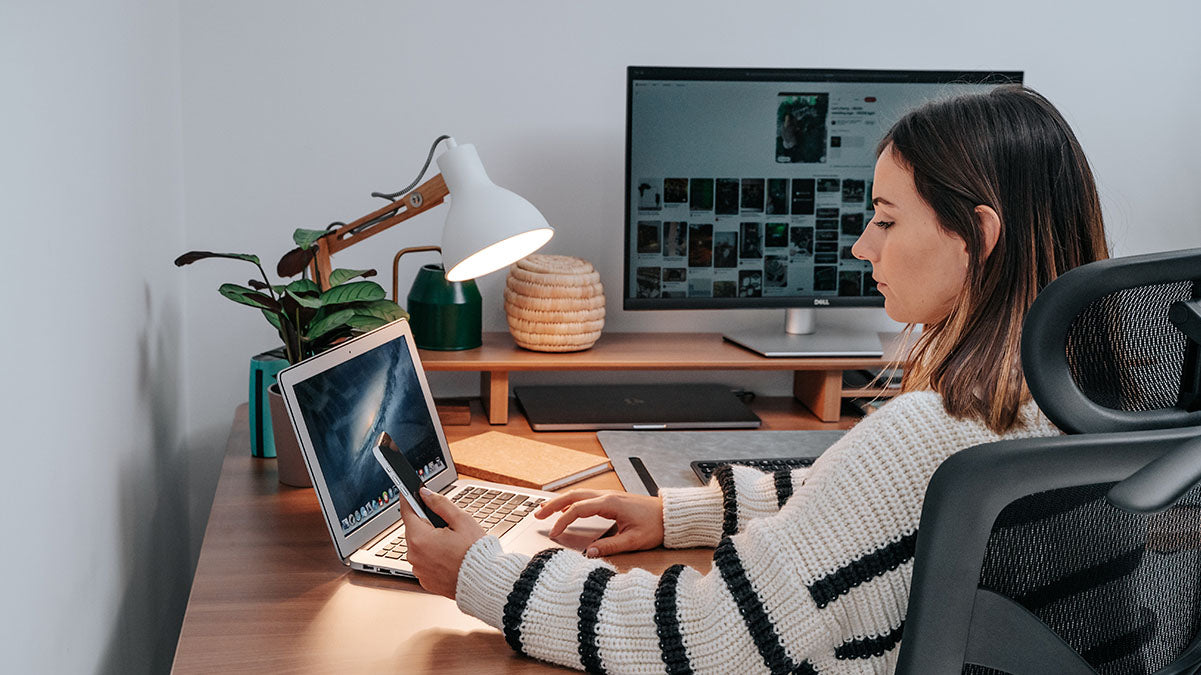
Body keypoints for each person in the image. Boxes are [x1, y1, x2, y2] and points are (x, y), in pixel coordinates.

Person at [397, 85, 1109, 673]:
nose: (863, 245)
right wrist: (679, 515)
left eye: (886, 220)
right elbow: (870, 504)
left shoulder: (930, 433)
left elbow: (704, 639)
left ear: (978, 236)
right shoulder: (1086, 398)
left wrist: (482, 575)